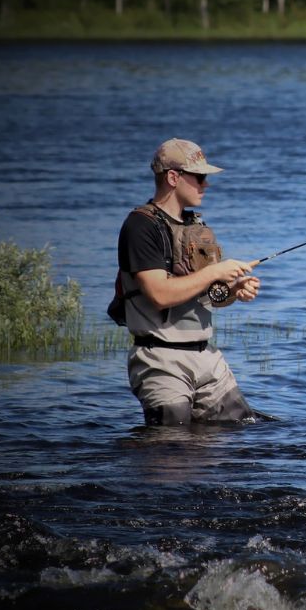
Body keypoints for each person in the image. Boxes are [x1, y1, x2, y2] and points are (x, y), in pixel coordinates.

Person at [115, 138, 261, 426]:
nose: (206, 184)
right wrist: (215, 272)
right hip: (161, 361)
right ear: (173, 177)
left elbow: (204, 295)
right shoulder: (140, 226)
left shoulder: (197, 227)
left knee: (242, 434)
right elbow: (159, 294)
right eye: (200, 177)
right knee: (172, 451)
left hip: (207, 357)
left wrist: (232, 290)